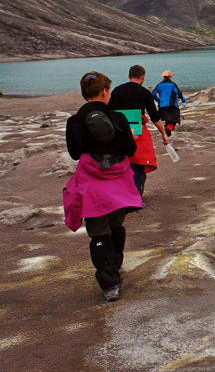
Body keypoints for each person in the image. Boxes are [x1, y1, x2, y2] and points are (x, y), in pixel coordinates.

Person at [63, 71, 142, 302]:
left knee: (98, 232)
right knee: (116, 226)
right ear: (106, 91)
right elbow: (130, 150)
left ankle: (110, 286)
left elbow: (74, 153)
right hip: (119, 184)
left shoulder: (74, 121)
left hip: (91, 186)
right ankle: (116, 267)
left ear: (84, 93)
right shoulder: (119, 118)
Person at [108, 65, 169, 198]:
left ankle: (122, 196)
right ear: (142, 77)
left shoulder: (117, 91)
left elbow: (109, 112)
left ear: (129, 76)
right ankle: (135, 197)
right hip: (138, 131)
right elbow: (155, 117)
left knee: (122, 164)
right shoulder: (144, 92)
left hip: (119, 131)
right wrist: (164, 134)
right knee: (138, 165)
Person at [151, 70, 186, 136]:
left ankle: (166, 135)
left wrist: (158, 101)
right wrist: (183, 100)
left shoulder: (159, 85)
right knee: (173, 121)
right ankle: (167, 133)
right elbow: (179, 93)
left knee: (168, 122)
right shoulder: (172, 84)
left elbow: (153, 94)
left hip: (162, 108)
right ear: (170, 77)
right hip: (172, 107)